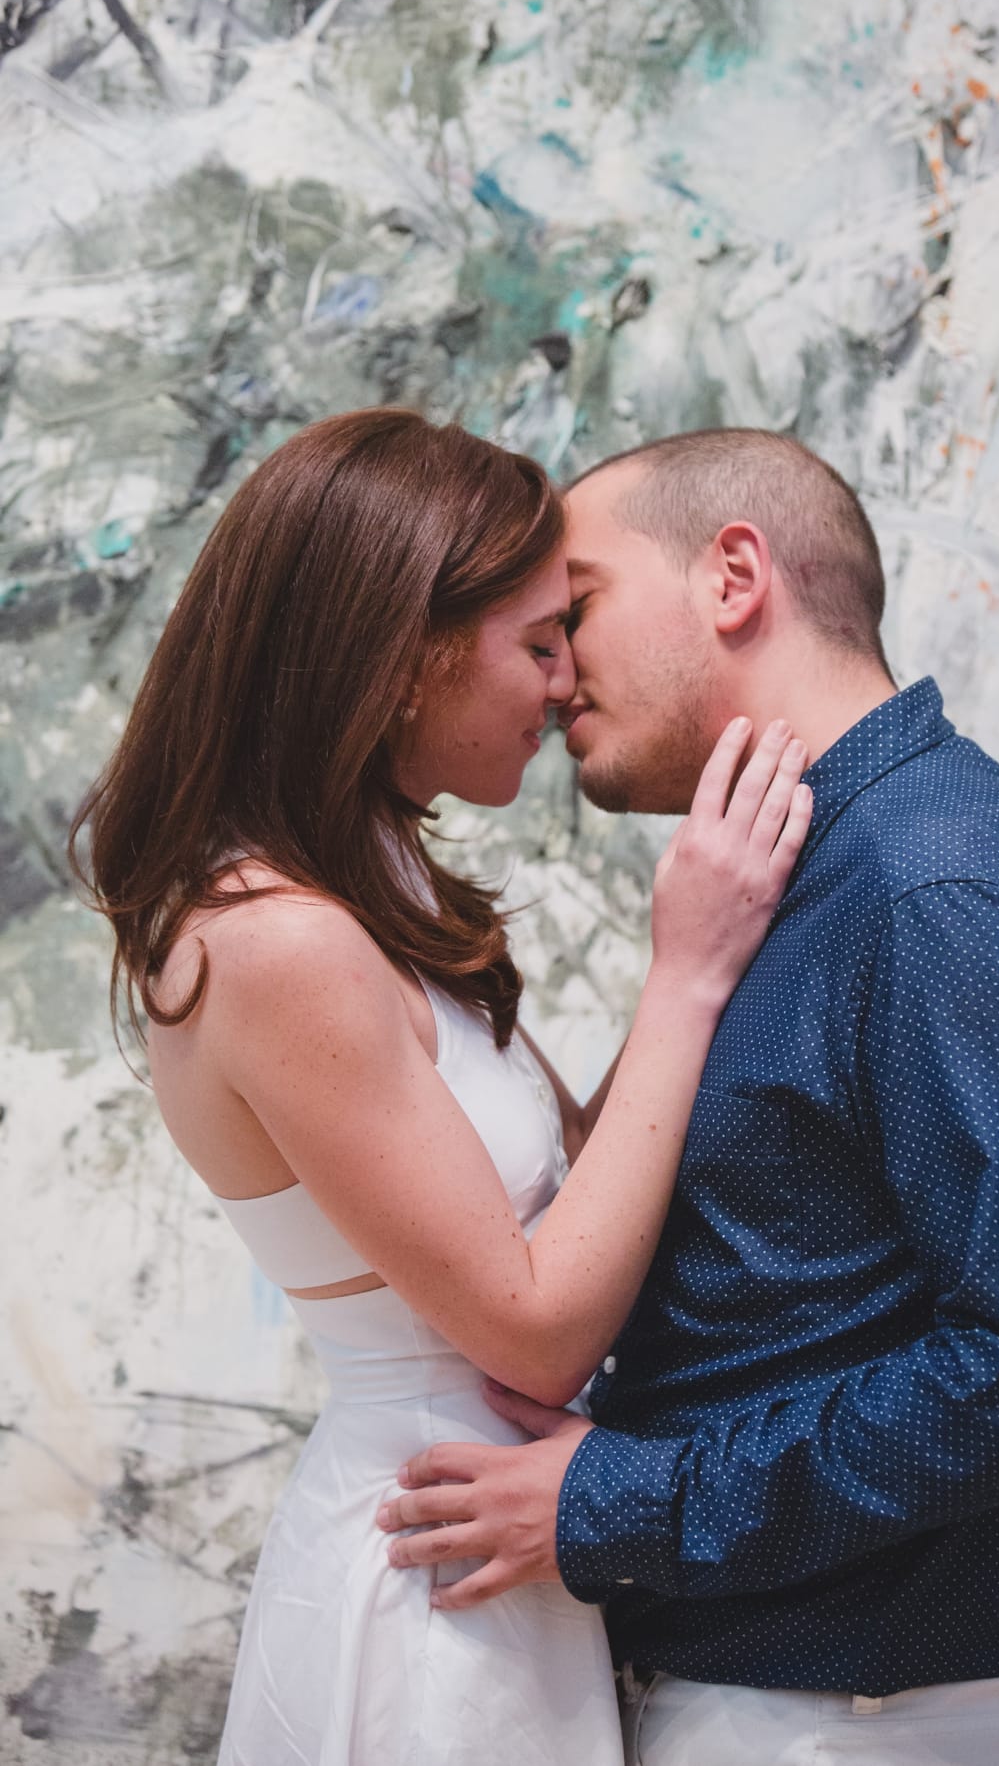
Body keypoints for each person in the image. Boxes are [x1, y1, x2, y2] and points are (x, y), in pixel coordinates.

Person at [379, 428, 999, 1766]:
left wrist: (618, 1500)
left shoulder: (934, 886)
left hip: (866, 1725)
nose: (555, 668)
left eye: (581, 609)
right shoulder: (788, 873)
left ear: (735, 575)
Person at [70, 408, 813, 1766]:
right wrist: (687, 968)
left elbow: (585, 1189)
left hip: (496, 1542)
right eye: (539, 643)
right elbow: (533, 1330)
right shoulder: (278, 940)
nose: (563, 685)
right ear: (410, 654)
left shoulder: (372, 888)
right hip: (432, 1579)